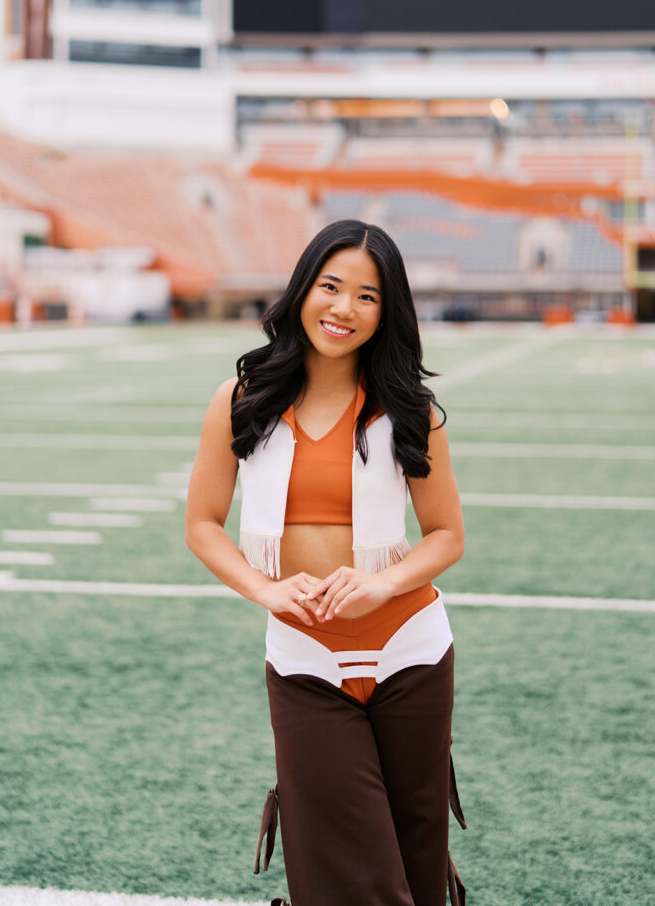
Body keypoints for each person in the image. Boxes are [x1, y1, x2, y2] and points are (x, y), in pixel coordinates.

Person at [185, 220, 467, 906]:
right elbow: (201, 524)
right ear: (302, 289)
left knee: (417, 846)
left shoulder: (408, 410)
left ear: (387, 311)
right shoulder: (241, 399)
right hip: (304, 658)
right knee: (347, 866)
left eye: (367, 296)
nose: (344, 309)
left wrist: (380, 585)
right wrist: (265, 591)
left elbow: (445, 535)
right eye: (330, 287)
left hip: (411, 651)